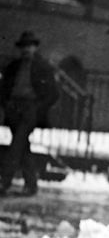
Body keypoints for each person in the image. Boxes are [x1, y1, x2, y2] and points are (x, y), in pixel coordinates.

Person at [0, 31, 60, 196]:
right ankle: (31, 185)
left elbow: (53, 93)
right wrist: (6, 104)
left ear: (35, 47)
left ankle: (4, 181)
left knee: (16, 145)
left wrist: (38, 108)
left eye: (30, 46)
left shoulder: (43, 67)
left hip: (30, 109)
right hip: (14, 109)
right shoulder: (13, 67)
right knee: (22, 146)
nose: (27, 49)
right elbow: (3, 89)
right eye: (24, 46)